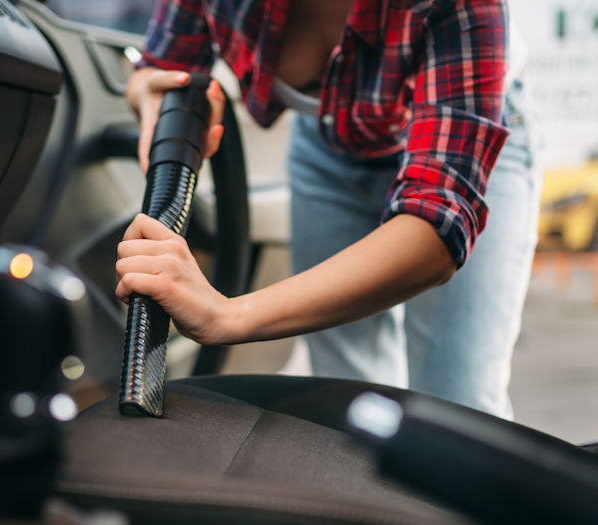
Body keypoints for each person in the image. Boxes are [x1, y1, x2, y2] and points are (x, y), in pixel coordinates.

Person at [116, 0, 540, 418]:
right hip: (328, 139)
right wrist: (152, 93)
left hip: (468, 141)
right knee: (352, 404)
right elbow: (160, 65)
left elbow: (436, 226)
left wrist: (228, 314)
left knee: (458, 410)